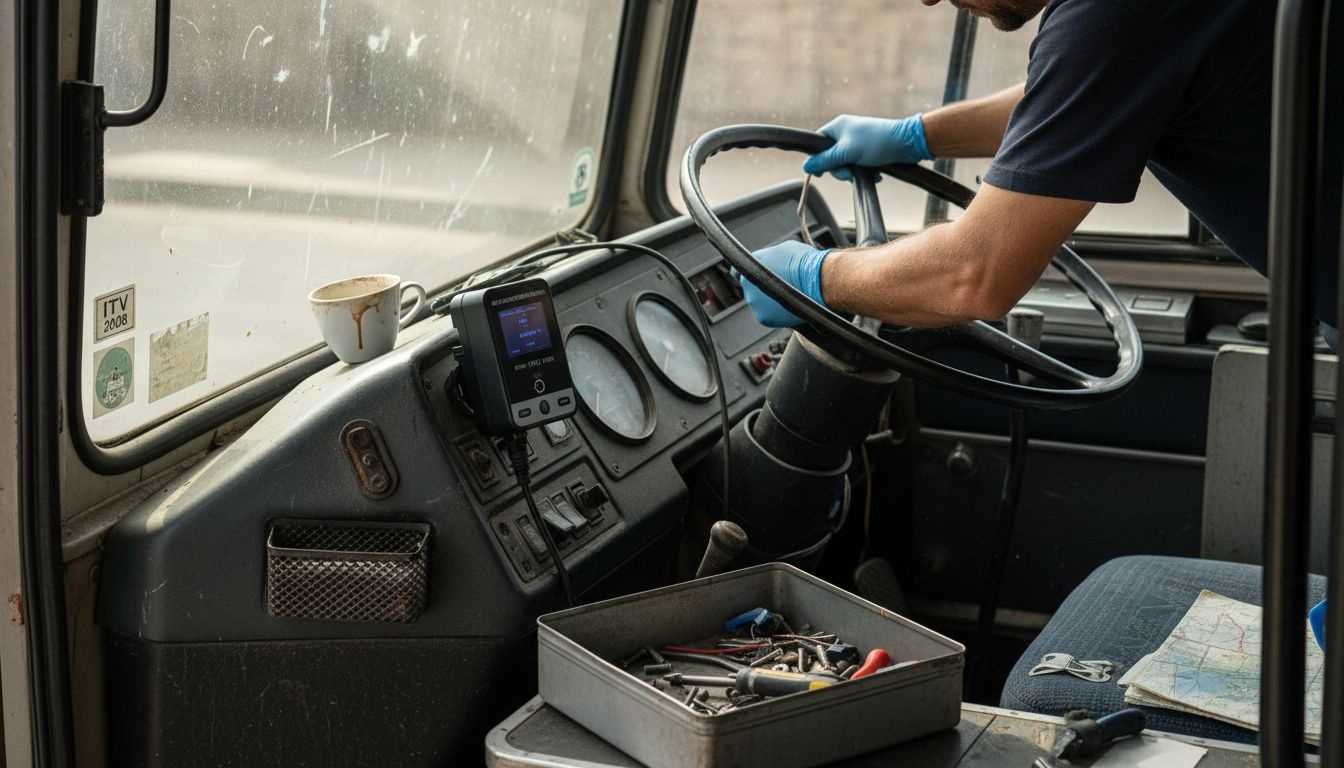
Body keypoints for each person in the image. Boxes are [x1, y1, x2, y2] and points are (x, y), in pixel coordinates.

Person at [740, 0, 1343, 341]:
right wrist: (916, 136)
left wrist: (816, 277)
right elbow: (1083, 98)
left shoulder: (1114, 17)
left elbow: (975, 276)